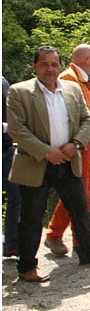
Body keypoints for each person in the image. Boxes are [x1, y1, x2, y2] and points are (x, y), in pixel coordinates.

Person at [7, 46, 90, 283]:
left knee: (80, 209)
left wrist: (75, 144)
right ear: (34, 66)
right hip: (35, 164)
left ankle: (88, 252)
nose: (50, 69)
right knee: (31, 218)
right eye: (44, 64)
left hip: (68, 161)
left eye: (54, 64)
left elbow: (87, 120)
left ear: (60, 66)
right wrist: (46, 152)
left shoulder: (72, 89)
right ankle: (27, 267)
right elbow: (16, 129)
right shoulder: (19, 91)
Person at [45, 44, 90, 255]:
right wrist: (76, 143)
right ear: (86, 60)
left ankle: (83, 235)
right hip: (77, 148)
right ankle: (56, 235)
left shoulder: (82, 80)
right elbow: (68, 116)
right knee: (77, 195)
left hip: (87, 147)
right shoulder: (69, 79)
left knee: (86, 193)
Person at [2, 76, 20, 258]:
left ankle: (11, 244)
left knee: (17, 197)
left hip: (7, 149)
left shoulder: (4, 82)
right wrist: (10, 127)